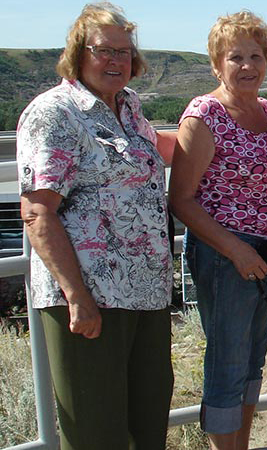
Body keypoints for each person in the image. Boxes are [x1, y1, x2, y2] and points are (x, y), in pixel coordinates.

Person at [16, 3, 174, 449]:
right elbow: (37, 212)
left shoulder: (128, 106)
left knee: (148, 427)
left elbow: (161, 150)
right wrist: (77, 297)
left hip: (146, 293)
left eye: (124, 51)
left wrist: (223, 126)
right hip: (92, 299)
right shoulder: (55, 113)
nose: (116, 60)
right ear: (78, 53)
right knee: (96, 433)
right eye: (104, 50)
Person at [168, 11, 267, 450]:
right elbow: (181, 199)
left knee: (253, 364)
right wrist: (236, 250)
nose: (247, 65)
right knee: (228, 364)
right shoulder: (204, 115)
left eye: (256, 56)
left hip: (264, 252)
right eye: (236, 57)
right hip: (224, 254)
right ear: (217, 64)